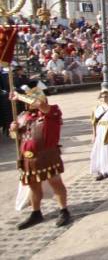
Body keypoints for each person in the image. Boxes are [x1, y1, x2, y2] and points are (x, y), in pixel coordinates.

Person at [10, 85, 70, 230]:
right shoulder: (23, 117)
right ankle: (36, 213)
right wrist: (14, 129)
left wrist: (19, 95)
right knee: (33, 186)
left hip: (47, 155)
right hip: (28, 159)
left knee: (56, 183)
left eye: (31, 100)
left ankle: (63, 210)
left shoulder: (52, 111)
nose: (28, 103)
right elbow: (16, 137)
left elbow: (41, 105)